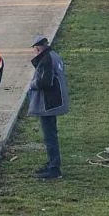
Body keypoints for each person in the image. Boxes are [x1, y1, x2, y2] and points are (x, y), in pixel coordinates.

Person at [28, 36, 69, 180]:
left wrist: (32, 84)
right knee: (51, 134)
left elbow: (44, 82)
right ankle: (52, 163)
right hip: (55, 101)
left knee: (49, 136)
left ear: (38, 48)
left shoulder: (46, 60)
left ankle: (54, 169)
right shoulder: (54, 55)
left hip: (49, 103)